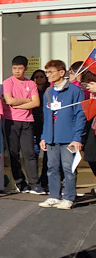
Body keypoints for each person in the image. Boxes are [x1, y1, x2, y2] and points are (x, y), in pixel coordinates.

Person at [38, 60, 86, 210]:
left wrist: (77, 137)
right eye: (47, 72)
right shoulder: (48, 92)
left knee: (68, 167)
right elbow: (46, 116)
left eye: (51, 72)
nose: (48, 75)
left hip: (68, 137)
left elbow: (80, 115)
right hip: (51, 137)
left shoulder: (75, 91)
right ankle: (54, 195)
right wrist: (44, 137)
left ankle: (69, 197)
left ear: (61, 72)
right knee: (51, 167)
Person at [2, 55, 41, 193]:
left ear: (26, 69)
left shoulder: (31, 84)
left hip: (27, 122)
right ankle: (20, 182)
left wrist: (18, 104)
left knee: (29, 153)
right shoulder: (8, 82)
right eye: (14, 68)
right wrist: (26, 100)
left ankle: (35, 184)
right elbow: (9, 101)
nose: (17, 71)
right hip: (11, 122)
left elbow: (36, 103)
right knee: (13, 153)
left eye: (20, 68)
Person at [31, 69, 50, 188]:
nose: (39, 79)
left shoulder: (49, 91)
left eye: (41, 76)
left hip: (46, 124)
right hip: (33, 124)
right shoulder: (32, 91)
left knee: (47, 153)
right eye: (36, 77)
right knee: (34, 152)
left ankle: (45, 179)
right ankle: (35, 180)